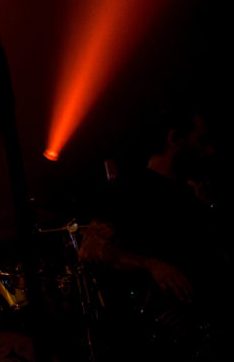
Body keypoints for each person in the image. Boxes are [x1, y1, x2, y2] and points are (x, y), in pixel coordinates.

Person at [78, 105, 228, 360]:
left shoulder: (195, 197)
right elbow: (89, 249)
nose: (210, 150)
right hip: (157, 344)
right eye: (201, 141)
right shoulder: (131, 191)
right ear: (174, 139)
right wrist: (149, 264)